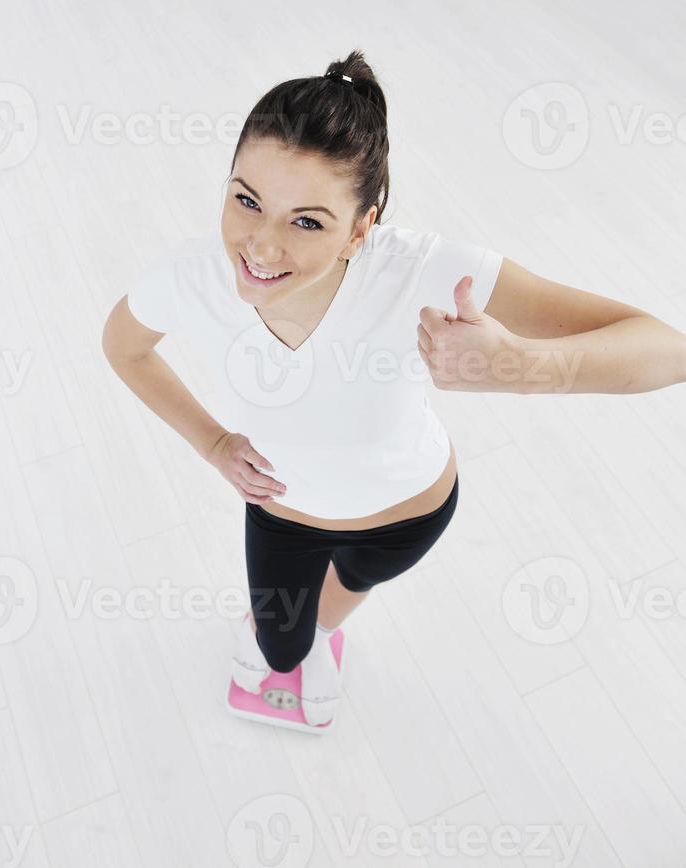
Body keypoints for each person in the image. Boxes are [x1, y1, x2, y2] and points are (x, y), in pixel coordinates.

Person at [103, 50, 686, 726]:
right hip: (284, 517)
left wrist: (521, 366)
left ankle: (323, 634)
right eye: (246, 201)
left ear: (361, 227)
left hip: (411, 512)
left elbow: (666, 351)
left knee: (345, 593)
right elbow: (124, 347)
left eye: (306, 221)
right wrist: (212, 443)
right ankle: (292, 643)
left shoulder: (422, 270)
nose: (260, 246)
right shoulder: (186, 277)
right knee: (276, 640)